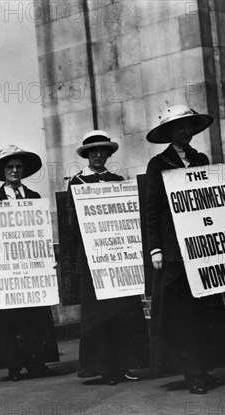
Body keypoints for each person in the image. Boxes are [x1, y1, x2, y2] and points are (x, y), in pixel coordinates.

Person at [145, 105, 225, 394]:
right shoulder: (159, 164)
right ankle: (191, 372)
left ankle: (205, 366)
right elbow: (151, 209)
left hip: (202, 247)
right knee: (182, 313)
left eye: (189, 127)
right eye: (179, 127)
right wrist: (156, 248)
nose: (185, 132)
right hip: (174, 251)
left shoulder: (201, 159)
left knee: (204, 310)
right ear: (169, 132)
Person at [66, 130, 149, 386]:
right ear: (87, 155)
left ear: (109, 153)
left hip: (119, 259)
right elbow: (73, 222)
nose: (99, 155)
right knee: (99, 318)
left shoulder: (118, 180)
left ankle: (124, 365)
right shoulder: (78, 183)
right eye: (93, 151)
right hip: (94, 261)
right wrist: (96, 244)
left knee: (122, 314)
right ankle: (104, 368)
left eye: (103, 150)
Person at [0, 145, 59, 381]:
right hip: (8, 271)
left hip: (32, 268)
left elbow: (42, 232)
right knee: (11, 318)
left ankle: (37, 363)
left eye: (18, 167)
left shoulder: (34, 198)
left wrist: (49, 257)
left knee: (35, 317)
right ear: (2, 171)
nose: (14, 170)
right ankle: (14, 366)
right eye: (10, 167)